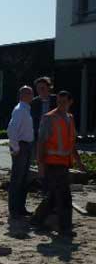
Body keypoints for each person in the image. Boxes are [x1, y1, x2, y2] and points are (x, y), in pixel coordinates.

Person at [30, 91, 86, 238]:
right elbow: (41, 143)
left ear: (70, 102)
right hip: (52, 163)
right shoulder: (49, 118)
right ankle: (64, 228)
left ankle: (37, 219)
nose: (60, 104)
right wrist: (41, 166)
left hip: (64, 163)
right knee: (65, 197)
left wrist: (78, 161)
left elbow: (71, 142)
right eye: (59, 102)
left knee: (55, 196)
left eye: (64, 102)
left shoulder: (70, 118)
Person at [6, 85, 34, 219]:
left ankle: (21, 208)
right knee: (17, 179)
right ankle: (14, 209)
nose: (32, 95)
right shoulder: (19, 110)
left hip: (27, 145)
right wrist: (15, 148)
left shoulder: (26, 109)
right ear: (23, 95)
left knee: (24, 180)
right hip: (21, 147)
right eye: (30, 93)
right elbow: (12, 130)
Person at [30, 76, 57, 143]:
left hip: (54, 135)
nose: (40, 90)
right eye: (38, 88)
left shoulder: (56, 100)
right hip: (38, 137)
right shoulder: (33, 103)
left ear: (49, 88)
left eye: (42, 88)